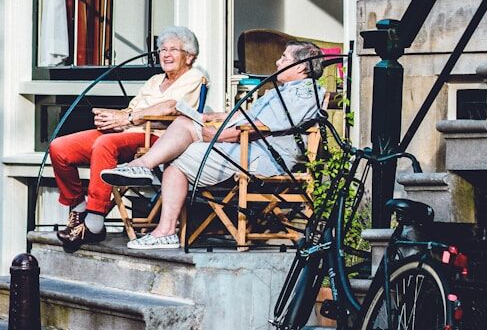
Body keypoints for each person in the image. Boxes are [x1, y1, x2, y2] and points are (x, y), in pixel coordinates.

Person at [101, 40, 325, 249]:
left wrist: (216, 135)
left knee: (177, 159)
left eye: (284, 58)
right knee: (184, 122)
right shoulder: (282, 90)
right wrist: (215, 116)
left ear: (301, 67)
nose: (278, 62)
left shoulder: (303, 92)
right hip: (246, 148)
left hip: (262, 157)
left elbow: (258, 126)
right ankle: (143, 168)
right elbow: (249, 117)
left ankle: (164, 227)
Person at [49, 26, 205, 252]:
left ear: (189, 56)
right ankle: (79, 206)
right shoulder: (153, 81)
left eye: (173, 49)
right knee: (60, 147)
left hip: (157, 138)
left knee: (104, 144)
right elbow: (130, 110)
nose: (166, 54)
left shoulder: (194, 77)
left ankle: (94, 221)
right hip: (127, 132)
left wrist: (127, 118)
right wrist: (111, 118)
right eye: (162, 49)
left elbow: (171, 108)